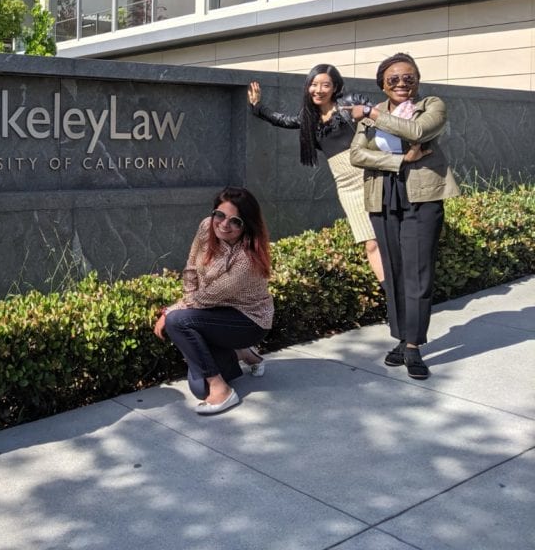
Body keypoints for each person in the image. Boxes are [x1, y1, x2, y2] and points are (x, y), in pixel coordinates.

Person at [348, 53, 459, 380]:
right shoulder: (371, 115)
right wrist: (402, 160)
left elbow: (418, 130)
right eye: (393, 79)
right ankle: (401, 336)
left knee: (418, 272)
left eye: (408, 78)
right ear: (383, 83)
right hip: (382, 195)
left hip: (421, 198)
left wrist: (371, 114)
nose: (401, 84)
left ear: (418, 81)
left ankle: (413, 346)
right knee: (394, 271)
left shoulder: (432, 105)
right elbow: (356, 154)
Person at [248, 65, 383, 284]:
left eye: (325, 85)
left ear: (335, 87)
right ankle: (391, 296)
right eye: (313, 84)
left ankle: (403, 294)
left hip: (373, 175)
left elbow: (381, 116)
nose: (318, 90)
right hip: (347, 187)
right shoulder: (309, 118)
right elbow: (284, 120)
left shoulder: (349, 103)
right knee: (371, 243)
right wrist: (258, 107)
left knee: (389, 238)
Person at [154, 186, 272, 415]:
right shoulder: (207, 226)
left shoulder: (246, 259)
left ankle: (222, 389)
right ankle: (243, 354)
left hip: (247, 321)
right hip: (213, 314)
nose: (224, 225)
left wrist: (171, 312)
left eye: (235, 221)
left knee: (177, 322)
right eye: (220, 215)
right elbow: (191, 267)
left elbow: (210, 296)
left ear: (246, 225)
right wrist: (184, 303)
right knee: (199, 387)